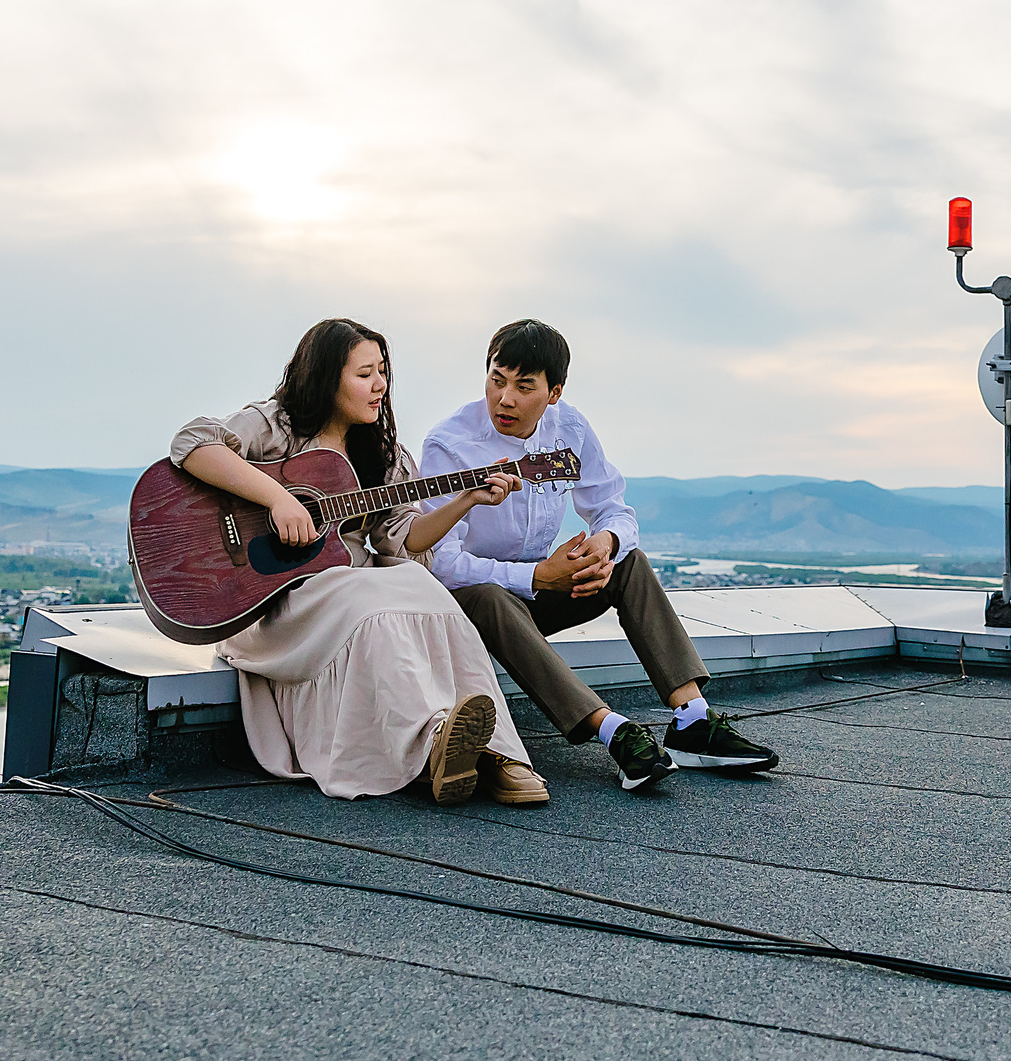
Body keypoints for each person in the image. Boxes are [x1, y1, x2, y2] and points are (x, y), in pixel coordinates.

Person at [169, 317, 550, 807]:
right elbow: (191, 443)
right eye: (365, 374)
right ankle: (432, 744)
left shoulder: (381, 451)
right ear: (328, 378)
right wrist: (279, 500)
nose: (379, 386)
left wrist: (466, 499)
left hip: (343, 587)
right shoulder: (275, 424)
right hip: (272, 597)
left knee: (425, 589)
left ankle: (498, 753)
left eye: (383, 372)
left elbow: (403, 540)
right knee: (367, 600)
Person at [414, 318, 778, 792]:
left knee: (629, 562)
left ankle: (692, 719)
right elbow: (442, 564)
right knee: (487, 596)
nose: (505, 399)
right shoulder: (450, 444)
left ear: (554, 392)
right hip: (468, 610)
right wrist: (539, 576)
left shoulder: (569, 429)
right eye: (496, 380)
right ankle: (612, 730)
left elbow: (614, 509)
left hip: (538, 596)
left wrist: (602, 546)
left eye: (525, 387)